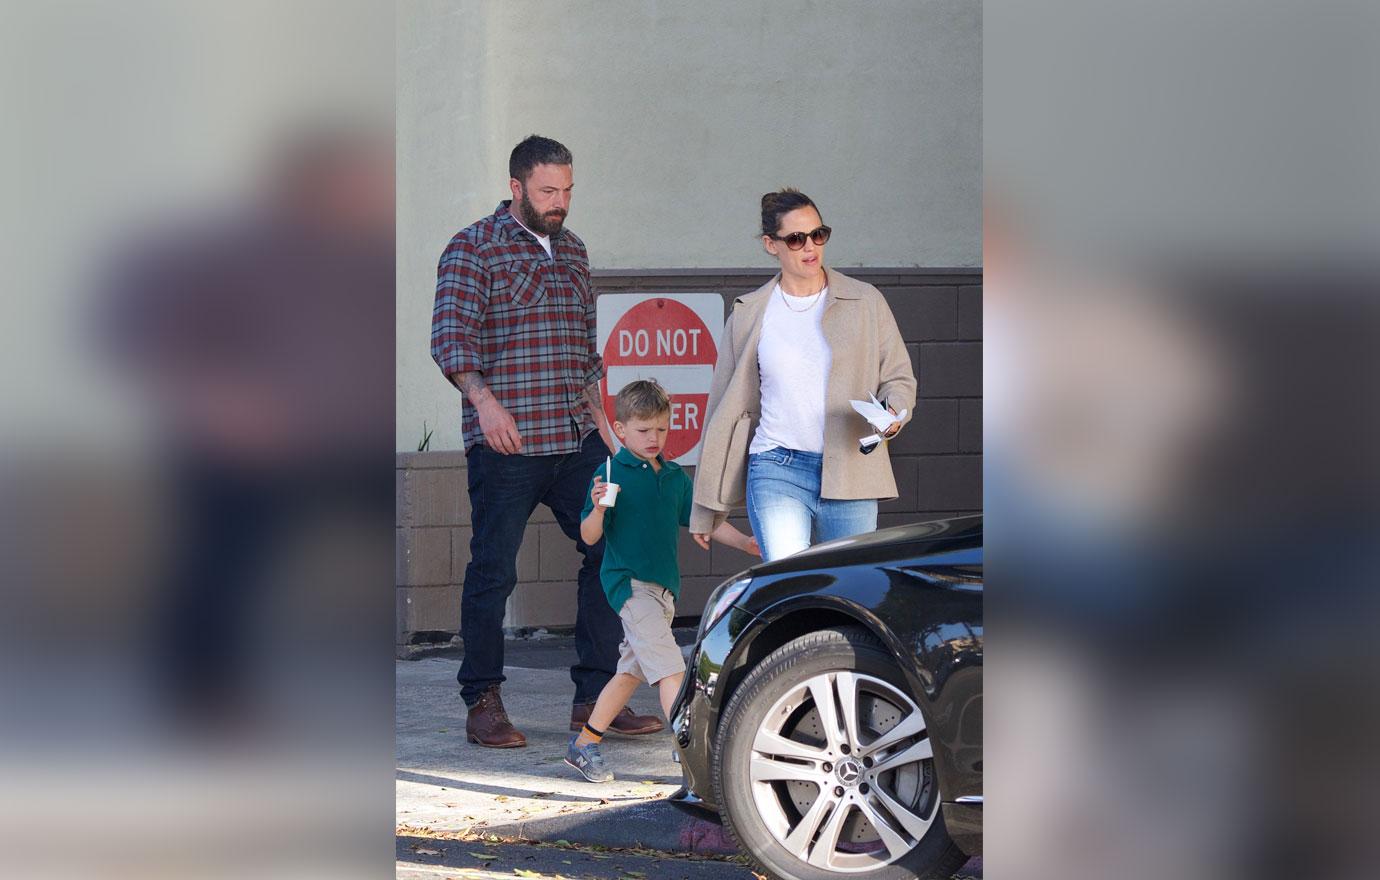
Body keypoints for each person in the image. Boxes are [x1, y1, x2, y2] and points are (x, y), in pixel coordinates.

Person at [430, 135, 662, 748]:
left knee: (610, 548)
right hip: (506, 443)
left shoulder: (574, 250)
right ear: (517, 188)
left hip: (574, 437)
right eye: (547, 192)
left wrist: (610, 434)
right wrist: (485, 406)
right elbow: (451, 340)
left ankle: (593, 698)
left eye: (567, 191)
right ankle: (482, 699)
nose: (559, 203)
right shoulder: (472, 247)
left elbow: (586, 355)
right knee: (493, 570)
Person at [689, 188, 917, 561]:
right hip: (777, 466)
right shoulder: (750, 313)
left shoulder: (865, 301)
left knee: (849, 585)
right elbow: (723, 409)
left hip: (851, 468)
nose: (810, 246)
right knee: (790, 581)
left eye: (818, 234)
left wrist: (893, 413)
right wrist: (705, 506)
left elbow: (898, 377)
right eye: (796, 239)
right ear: (770, 244)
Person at [565, 380, 757, 782]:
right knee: (672, 671)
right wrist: (598, 509)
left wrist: (743, 542)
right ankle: (694, 758)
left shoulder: (673, 477)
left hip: (664, 591)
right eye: (643, 430)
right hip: (631, 589)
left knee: (629, 673)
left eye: (661, 429)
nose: (654, 438)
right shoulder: (610, 474)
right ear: (620, 430)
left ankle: (584, 743)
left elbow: (700, 520)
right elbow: (588, 536)